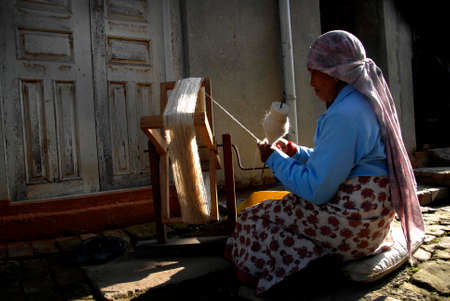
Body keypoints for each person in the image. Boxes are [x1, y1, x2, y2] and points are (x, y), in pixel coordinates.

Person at [224, 30, 425, 294]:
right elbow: (341, 163)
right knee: (279, 210)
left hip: (351, 229)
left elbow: (316, 190)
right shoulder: (364, 104)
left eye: (313, 72)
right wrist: (296, 152)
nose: (311, 82)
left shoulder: (344, 115)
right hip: (372, 225)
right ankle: (312, 258)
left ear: (334, 71)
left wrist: (273, 159)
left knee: (253, 218)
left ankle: (293, 266)